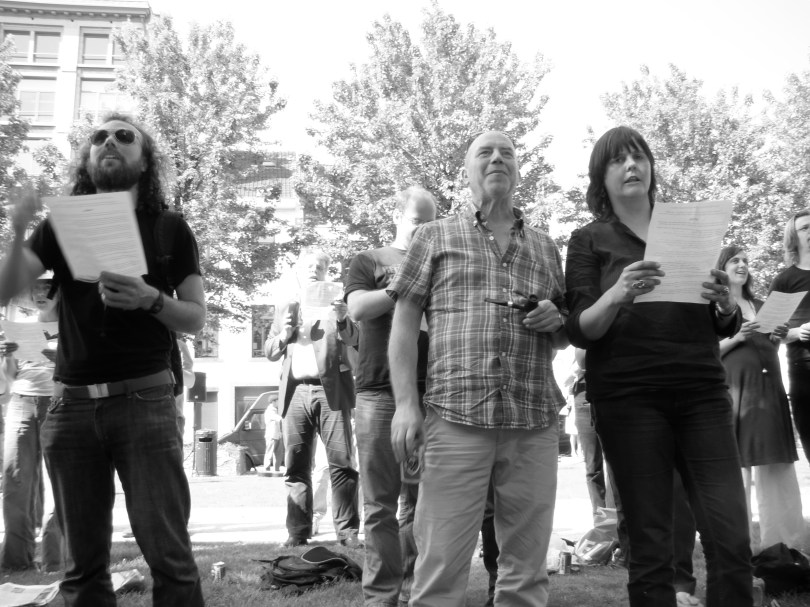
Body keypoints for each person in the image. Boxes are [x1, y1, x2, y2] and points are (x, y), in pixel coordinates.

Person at [0, 112, 206, 606]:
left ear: (145, 160)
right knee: (82, 569)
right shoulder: (59, 227)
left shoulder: (170, 229)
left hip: (146, 401)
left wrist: (150, 299)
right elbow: (7, 288)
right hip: (69, 409)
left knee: (170, 559)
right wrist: (20, 227)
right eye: (98, 137)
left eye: (123, 135)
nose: (108, 142)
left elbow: (195, 317)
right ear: (88, 160)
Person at [564, 125, 753, 607]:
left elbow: (720, 323)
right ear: (600, 178)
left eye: (638, 157)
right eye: (617, 160)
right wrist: (617, 293)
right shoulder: (589, 240)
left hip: (702, 392)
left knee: (730, 534)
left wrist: (725, 305)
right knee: (652, 543)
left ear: (651, 167)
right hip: (629, 399)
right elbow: (580, 329)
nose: (631, 166)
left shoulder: (689, 230)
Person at [388, 130, 568, 606]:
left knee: (526, 572)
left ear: (517, 170)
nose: (496, 159)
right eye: (484, 153)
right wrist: (405, 404)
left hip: (532, 418)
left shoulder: (548, 248)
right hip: (455, 417)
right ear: (467, 171)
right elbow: (405, 323)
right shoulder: (434, 236)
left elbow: (564, 333)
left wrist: (556, 319)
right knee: (440, 566)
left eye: (506, 153)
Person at [345, 186, 437, 607]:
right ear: (398, 216)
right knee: (379, 503)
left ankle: (419, 589)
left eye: (430, 223)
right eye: (417, 221)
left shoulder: (442, 264)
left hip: (434, 394)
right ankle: (381, 597)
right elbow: (358, 309)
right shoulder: (370, 260)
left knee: (423, 504)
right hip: (378, 395)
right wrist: (404, 285)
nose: (422, 231)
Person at [264, 248, 360, 547]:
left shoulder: (337, 305)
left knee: (341, 463)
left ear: (326, 272)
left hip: (330, 390)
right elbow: (270, 350)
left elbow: (356, 340)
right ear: (297, 271)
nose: (313, 270)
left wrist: (343, 319)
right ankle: (297, 533)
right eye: (308, 266)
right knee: (296, 466)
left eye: (319, 267)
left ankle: (347, 534)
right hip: (294, 394)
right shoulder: (285, 308)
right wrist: (284, 335)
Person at [717, 245, 805, 553]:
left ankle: (786, 548)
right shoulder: (713, 306)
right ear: (721, 268)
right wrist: (739, 336)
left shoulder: (760, 303)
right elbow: (705, 352)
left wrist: (779, 333)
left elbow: (771, 342)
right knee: (737, 469)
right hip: (735, 390)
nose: (742, 265)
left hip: (769, 389)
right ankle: (738, 550)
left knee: (776, 465)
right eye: (734, 261)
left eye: (745, 261)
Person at [0, 276, 65, 572]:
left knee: (65, 484)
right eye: (35, 288)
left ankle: (55, 559)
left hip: (61, 405)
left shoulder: (75, 328)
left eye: (47, 287)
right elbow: (9, 379)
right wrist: (5, 358)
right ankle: (16, 561)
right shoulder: (19, 330)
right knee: (15, 480)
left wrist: (63, 359)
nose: (40, 292)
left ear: (60, 292)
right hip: (21, 403)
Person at [771, 209, 810, 462]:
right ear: (793, 237)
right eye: (805, 228)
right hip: (803, 372)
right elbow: (770, 334)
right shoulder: (785, 281)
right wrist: (797, 331)